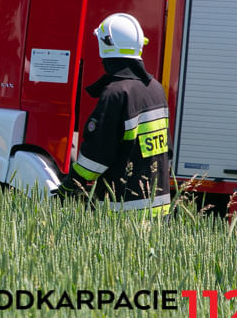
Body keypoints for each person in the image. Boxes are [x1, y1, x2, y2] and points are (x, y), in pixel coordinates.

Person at [57, 13, 171, 215]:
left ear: (105, 46)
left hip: (123, 210)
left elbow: (96, 156)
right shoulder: (156, 89)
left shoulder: (116, 93)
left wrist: (68, 187)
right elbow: (166, 148)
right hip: (159, 209)